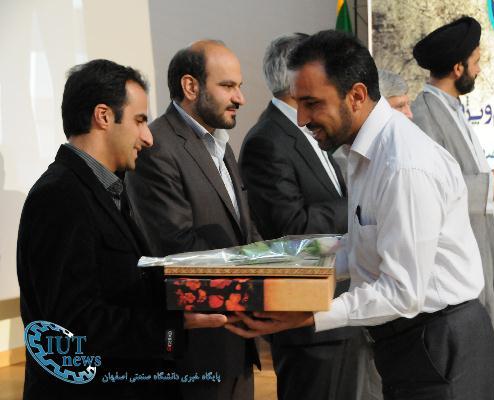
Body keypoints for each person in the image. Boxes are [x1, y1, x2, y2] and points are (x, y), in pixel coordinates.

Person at [225, 29, 494, 400]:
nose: (302, 118)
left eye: (311, 103)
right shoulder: (367, 151)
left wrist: (310, 314)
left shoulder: (402, 164)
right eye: (298, 104)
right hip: (413, 343)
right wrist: (278, 261)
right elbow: (360, 246)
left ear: (355, 96)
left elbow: (402, 292)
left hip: (439, 344)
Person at [17, 59, 228, 400]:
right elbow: (72, 326)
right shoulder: (59, 196)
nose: (148, 137)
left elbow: (121, 284)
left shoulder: (108, 188)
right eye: (140, 120)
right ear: (103, 116)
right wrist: (174, 326)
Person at [239, 33, 381, 400]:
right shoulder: (266, 140)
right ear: (295, 78)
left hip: (341, 311)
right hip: (308, 326)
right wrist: (359, 204)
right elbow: (292, 228)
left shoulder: (308, 131)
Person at [125, 41, 260, 400]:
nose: (240, 98)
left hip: (236, 339)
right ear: (190, 87)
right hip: (196, 351)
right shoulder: (157, 147)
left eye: (239, 86)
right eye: (228, 86)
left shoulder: (220, 143)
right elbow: (177, 247)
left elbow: (241, 229)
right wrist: (258, 269)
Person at [410, 16, 494, 400]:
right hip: (460, 260)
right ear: (458, 67)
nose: (479, 69)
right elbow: (426, 190)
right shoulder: (424, 114)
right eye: (475, 61)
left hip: (483, 243)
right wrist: (488, 183)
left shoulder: (453, 108)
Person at [334, 68, 412, 180]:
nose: (410, 114)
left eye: (408, 105)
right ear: (374, 108)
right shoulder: (342, 164)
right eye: (400, 106)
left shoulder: (407, 152)